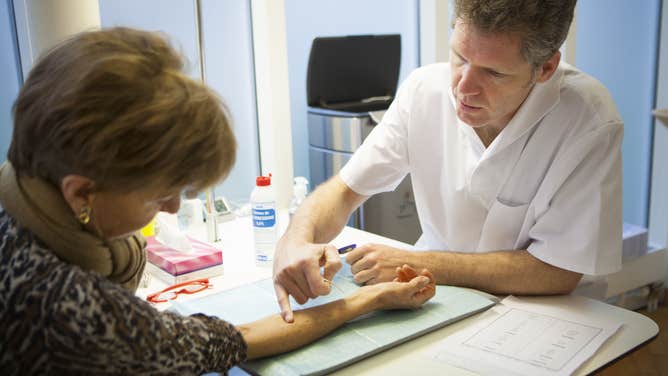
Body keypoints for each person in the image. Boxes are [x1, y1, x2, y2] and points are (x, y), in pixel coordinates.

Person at [0, 27, 436, 374]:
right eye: (158, 194)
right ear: (80, 193)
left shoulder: (24, 200)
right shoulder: (67, 307)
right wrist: (372, 299)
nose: (171, 209)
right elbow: (232, 341)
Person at [274, 0, 623, 323]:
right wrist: (296, 239)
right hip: (438, 298)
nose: (464, 87)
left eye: (493, 73)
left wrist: (422, 263)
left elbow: (557, 271)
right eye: (460, 57)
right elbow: (345, 190)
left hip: (550, 314)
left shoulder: (589, 120)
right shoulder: (424, 89)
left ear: (546, 67)